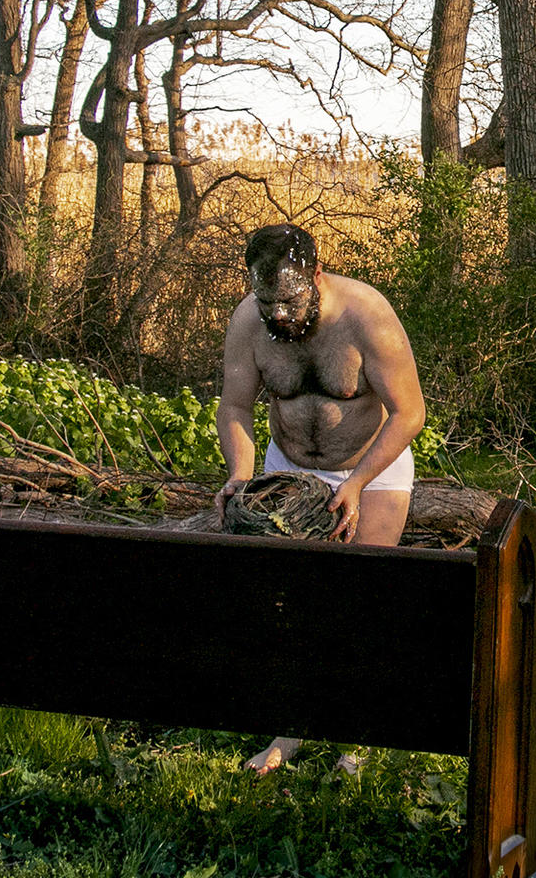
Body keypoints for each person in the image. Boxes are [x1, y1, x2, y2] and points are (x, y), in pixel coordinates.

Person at [214, 223, 426, 776]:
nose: (278, 315)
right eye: (268, 302)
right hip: (288, 467)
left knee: (358, 600)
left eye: (290, 300)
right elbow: (235, 407)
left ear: (316, 274)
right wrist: (240, 474)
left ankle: (353, 741)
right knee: (288, 606)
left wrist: (355, 484)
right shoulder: (248, 323)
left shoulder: (365, 315)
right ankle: (291, 732)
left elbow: (410, 413)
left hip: (370, 469)